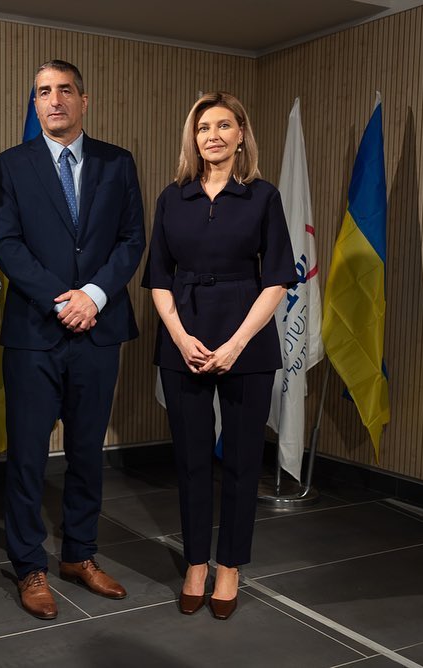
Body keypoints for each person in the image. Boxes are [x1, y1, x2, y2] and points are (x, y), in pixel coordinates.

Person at [0, 59, 145, 620]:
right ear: (35, 104)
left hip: (99, 330)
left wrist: (94, 297)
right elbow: (7, 244)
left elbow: (132, 241)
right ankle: (29, 565)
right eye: (43, 92)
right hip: (35, 332)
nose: (53, 100)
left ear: (84, 100)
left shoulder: (117, 163)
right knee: (27, 456)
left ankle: (80, 554)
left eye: (64, 90)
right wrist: (63, 299)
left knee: (87, 451)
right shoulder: (11, 165)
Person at [143, 92, 296, 620]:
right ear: (194, 137)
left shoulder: (263, 196)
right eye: (203, 127)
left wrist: (236, 344)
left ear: (241, 135)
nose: (212, 135)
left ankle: (229, 565)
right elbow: (158, 278)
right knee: (190, 460)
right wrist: (180, 337)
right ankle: (195, 564)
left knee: (242, 460)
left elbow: (278, 278)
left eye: (223, 125)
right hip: (182, 335)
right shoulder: (172, 197)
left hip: (246, 338)